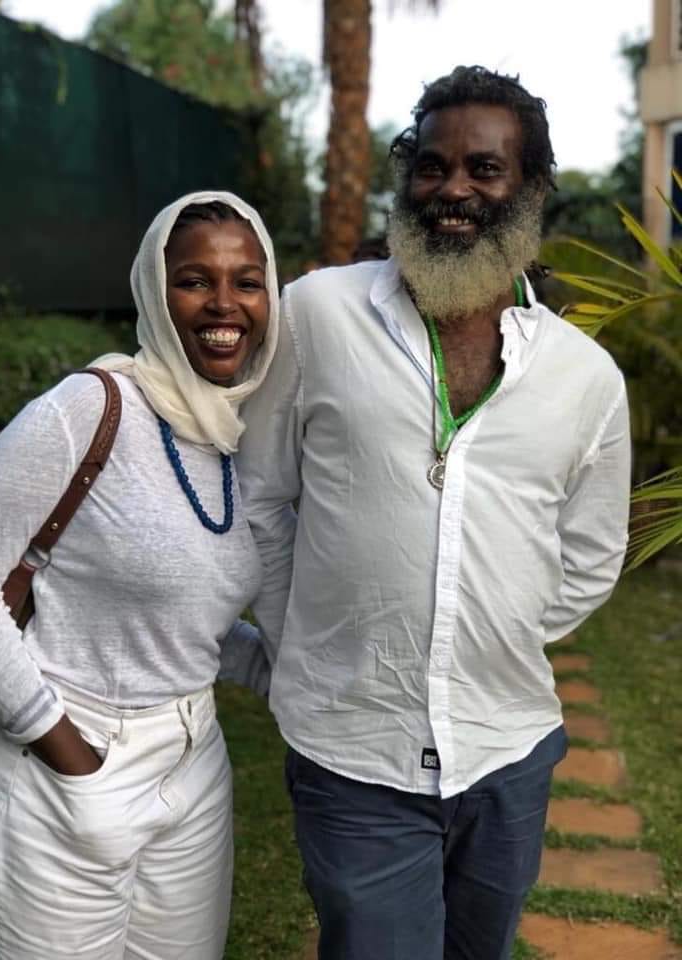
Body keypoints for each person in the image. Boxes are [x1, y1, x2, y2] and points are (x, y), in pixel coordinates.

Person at [237, 66, 631, 960]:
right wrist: (306, 637)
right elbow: (262, 497)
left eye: (485, 169)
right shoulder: (318, 314)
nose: (453, 189)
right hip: (352, 747)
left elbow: (591, 556)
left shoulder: (585, 378)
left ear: (531, 189)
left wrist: (496, 623)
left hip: (507, 748)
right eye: (431, 165)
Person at [0, 190, 276, 960]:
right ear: (155, 293)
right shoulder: (89, 407)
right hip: (63, 760)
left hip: (194, 768)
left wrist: (279, 671)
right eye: (194, 280)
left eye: (247, 281)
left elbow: (184, 610)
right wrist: (64, 749)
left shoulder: (242, 433)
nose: (224, 304)